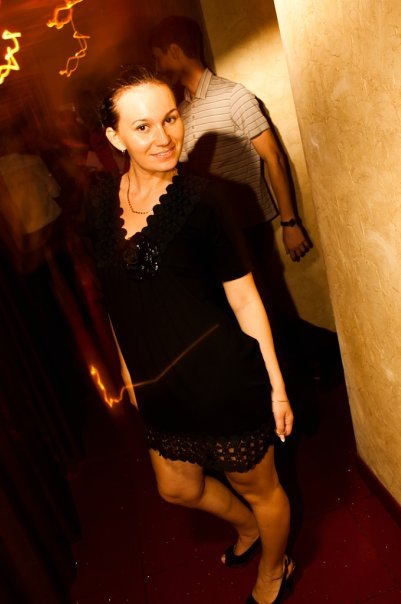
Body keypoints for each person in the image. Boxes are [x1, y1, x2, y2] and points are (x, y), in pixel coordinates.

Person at [89, 66, 295, 604]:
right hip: (159, 386)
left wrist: (276, 387)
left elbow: (245, 299)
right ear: (115, 137)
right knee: (176, 487)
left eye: (170, 119)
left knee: (262, 489)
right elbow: (115, 304)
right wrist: (129, 374)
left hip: (221, 379)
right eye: (142, 127)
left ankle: (275, 568)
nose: (163, 137)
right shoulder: (98, 207)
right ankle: (247, 527)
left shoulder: (206, 201)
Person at [149, 15, 311, 264]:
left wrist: (289, 222)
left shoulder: (234, 96)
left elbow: (274, 158)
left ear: (174, 51)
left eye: (158, 57)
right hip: (209, 234)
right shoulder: (180, 112)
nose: (158, 68)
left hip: (247, 228)